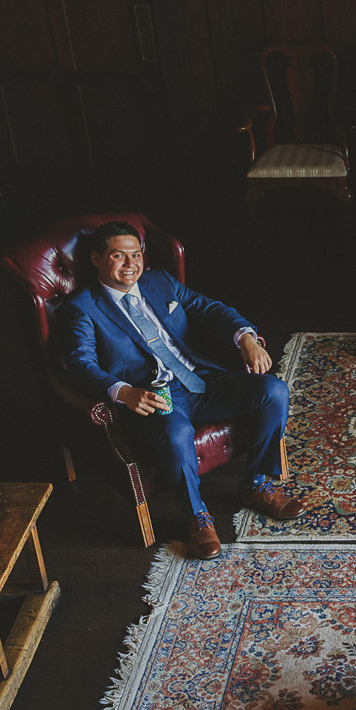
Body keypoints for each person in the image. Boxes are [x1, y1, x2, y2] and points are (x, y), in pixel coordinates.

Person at [56, 221, 306, 560]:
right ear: (97, 258)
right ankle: (198, 516)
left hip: (199, 378)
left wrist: (245, 337)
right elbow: (80, 363)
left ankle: (256, 484)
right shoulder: (82, 308)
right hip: (154, 394)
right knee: (176, 433)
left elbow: (210, 309)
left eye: (135, 254)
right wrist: (123, 391)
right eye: (118, 256)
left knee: (272, 390)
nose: (131, 264)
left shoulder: (159, 282)